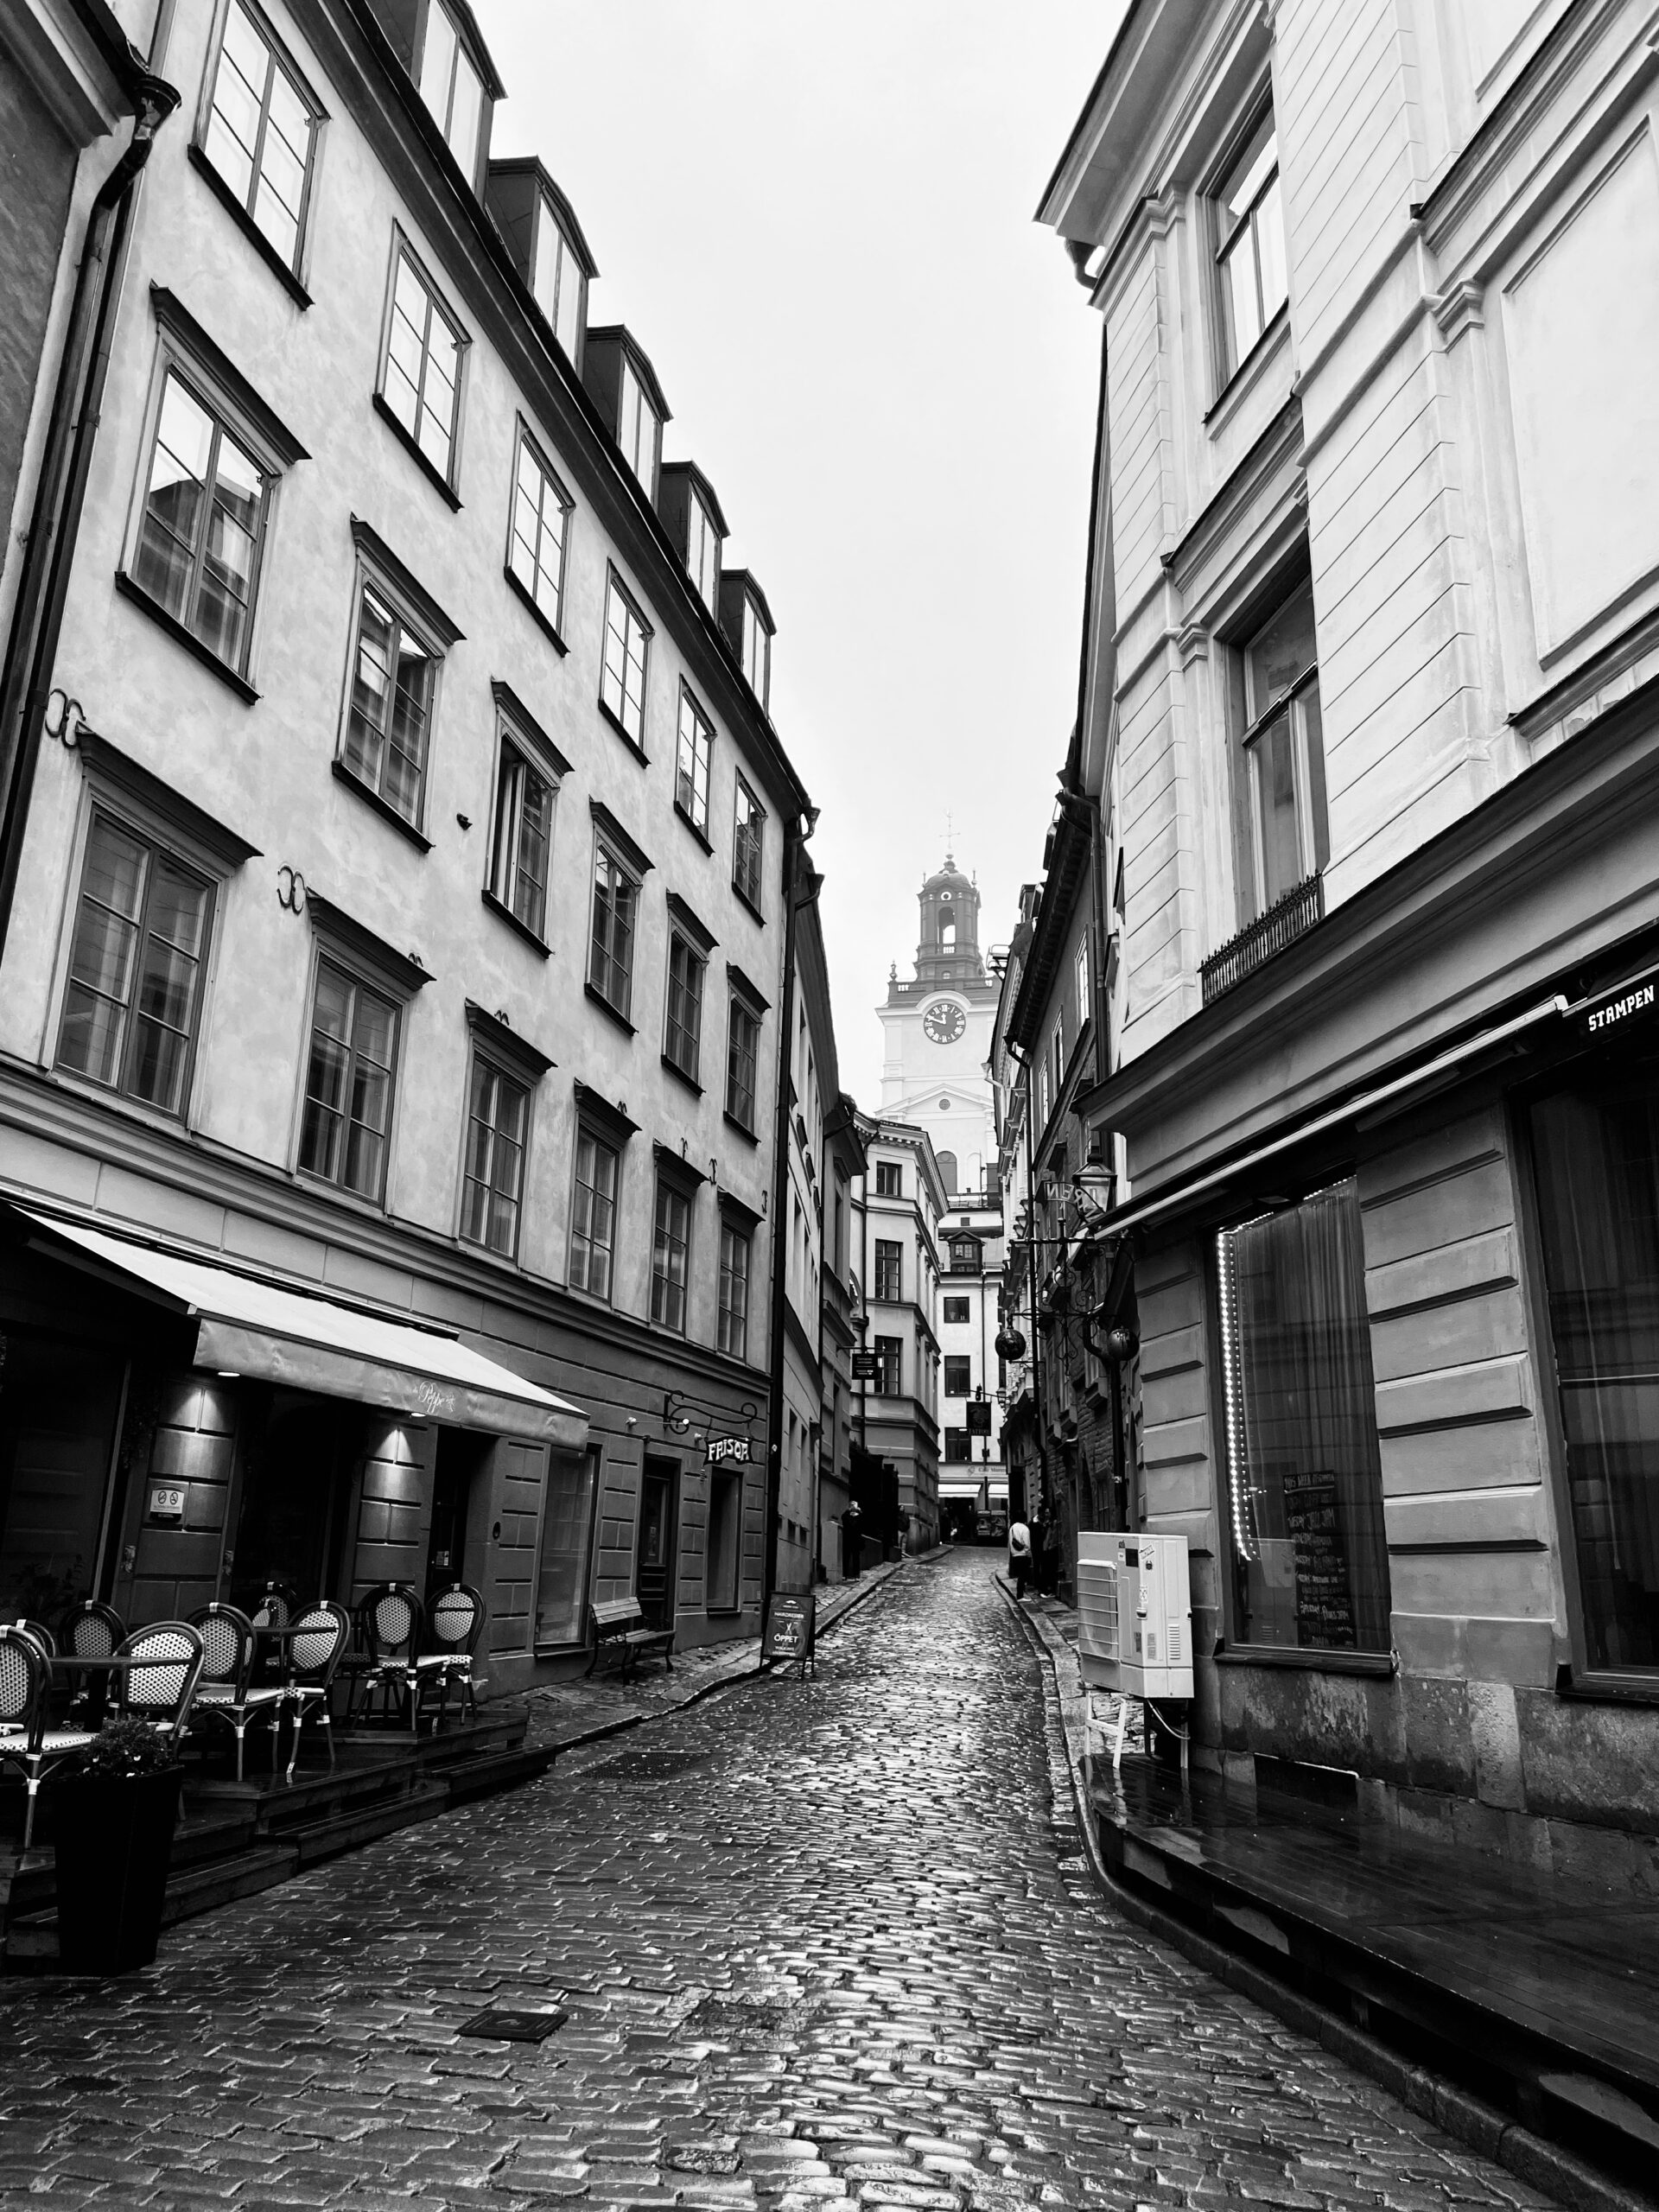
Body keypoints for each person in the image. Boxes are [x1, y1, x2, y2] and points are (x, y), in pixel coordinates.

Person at [1007, 1516, 1033, 1598]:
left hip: (1014, 1554)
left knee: (1020, 1576)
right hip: (1023, 1554)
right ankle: (1020, 1596)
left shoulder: (1012, 1528)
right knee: (1023, 1576)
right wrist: (1028, 1553)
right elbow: (1027, 1544)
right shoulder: (1025, 1529)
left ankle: (1020, 1594)